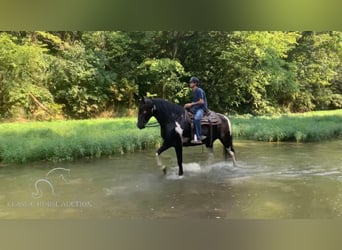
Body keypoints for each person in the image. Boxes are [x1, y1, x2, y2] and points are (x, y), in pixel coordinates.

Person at [184, 76, 208, 144]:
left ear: (195, 83)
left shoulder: (199, 90)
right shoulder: (193, 91)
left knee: (197, 119)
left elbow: (201, 102)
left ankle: (199, 136)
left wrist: (191, 104)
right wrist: (188, 105)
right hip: (195, 108)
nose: (190, 83)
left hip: (201, 108)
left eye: (191, 82)